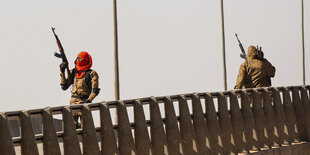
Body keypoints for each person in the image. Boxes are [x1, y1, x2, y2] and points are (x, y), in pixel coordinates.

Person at [59, 51, 100, 128]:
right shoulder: (74, 72)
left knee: (85, 128)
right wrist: (62, 71)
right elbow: (64, 86)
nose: (79, 60)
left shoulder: (92, 74)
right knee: (71, 128)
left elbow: (95, 90)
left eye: (81, 59)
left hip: (84, 103)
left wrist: (89, 100)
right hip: (73, 103)